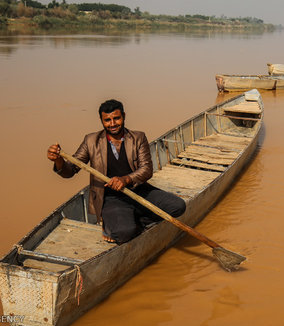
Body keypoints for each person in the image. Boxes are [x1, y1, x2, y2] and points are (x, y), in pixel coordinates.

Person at [47, 99, 186, 244]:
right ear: (101, 120)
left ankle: (134, 219)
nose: (112, 124)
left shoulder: (138, 138)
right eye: (107, 120)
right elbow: (70, 170)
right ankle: (116, 223)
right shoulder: (91, 141)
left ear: (124, 116)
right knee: (124, 233)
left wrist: (125, 180)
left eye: (116, 118)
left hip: (139, 191)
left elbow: (146, 170)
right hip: (111, 198)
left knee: (178, 206)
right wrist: (58, 161)